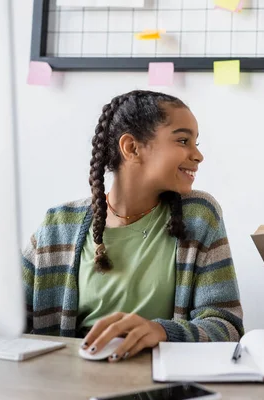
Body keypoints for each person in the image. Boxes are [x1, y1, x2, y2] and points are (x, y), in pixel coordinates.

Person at [21, 90, 244, 362]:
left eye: (196, 143)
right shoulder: (58, 225)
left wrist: (163, 331)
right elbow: (6, 314)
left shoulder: (198, 215)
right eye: (183, 140)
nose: (198, 155)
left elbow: (227, 327)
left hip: (160, 389)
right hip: (70, 385)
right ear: (132, 148)